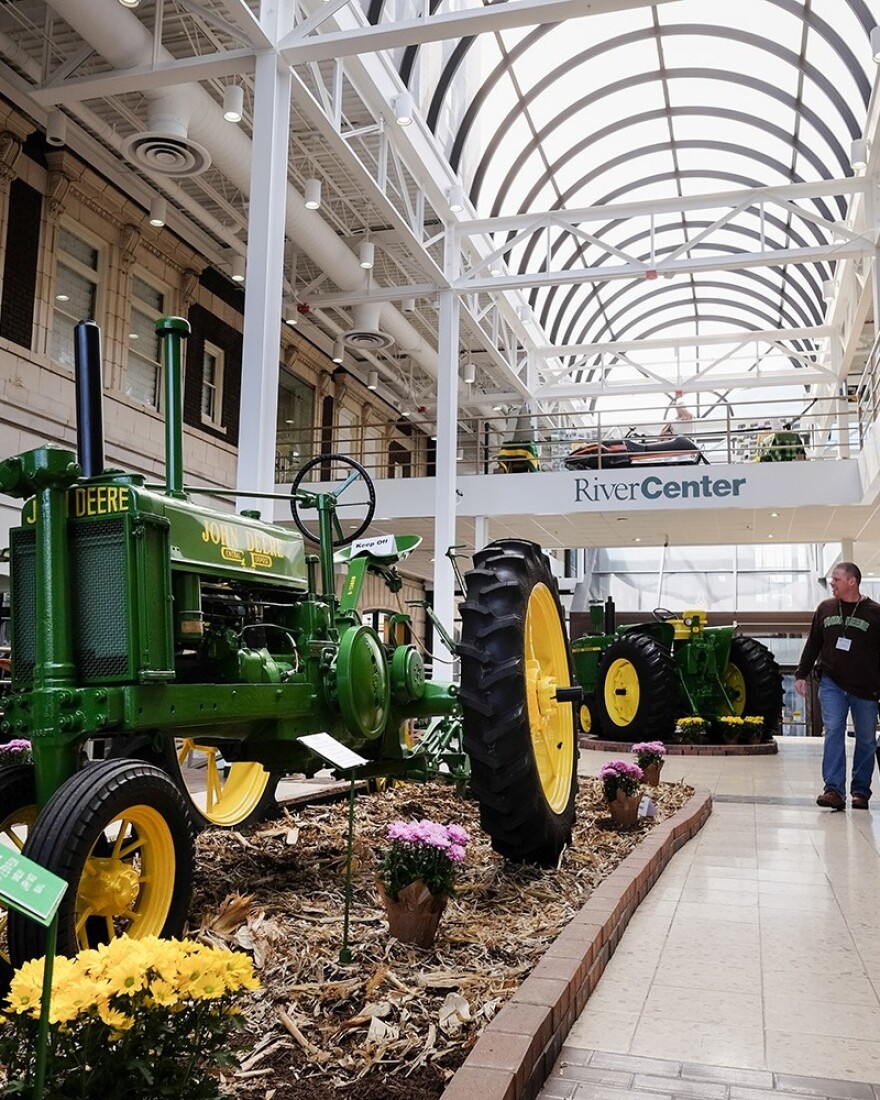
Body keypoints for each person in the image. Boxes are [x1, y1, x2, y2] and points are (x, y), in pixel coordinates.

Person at [795, 562, 880, 810]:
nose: (831, 583)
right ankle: (833, 790)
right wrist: (801, 673)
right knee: (833, 730)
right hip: (831, 682)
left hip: (866, 688)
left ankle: (860, 791)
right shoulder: (825, 608)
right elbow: (813, 643)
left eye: (836, 579)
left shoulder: (875, 613)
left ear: (852, 581)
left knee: (866, 739)